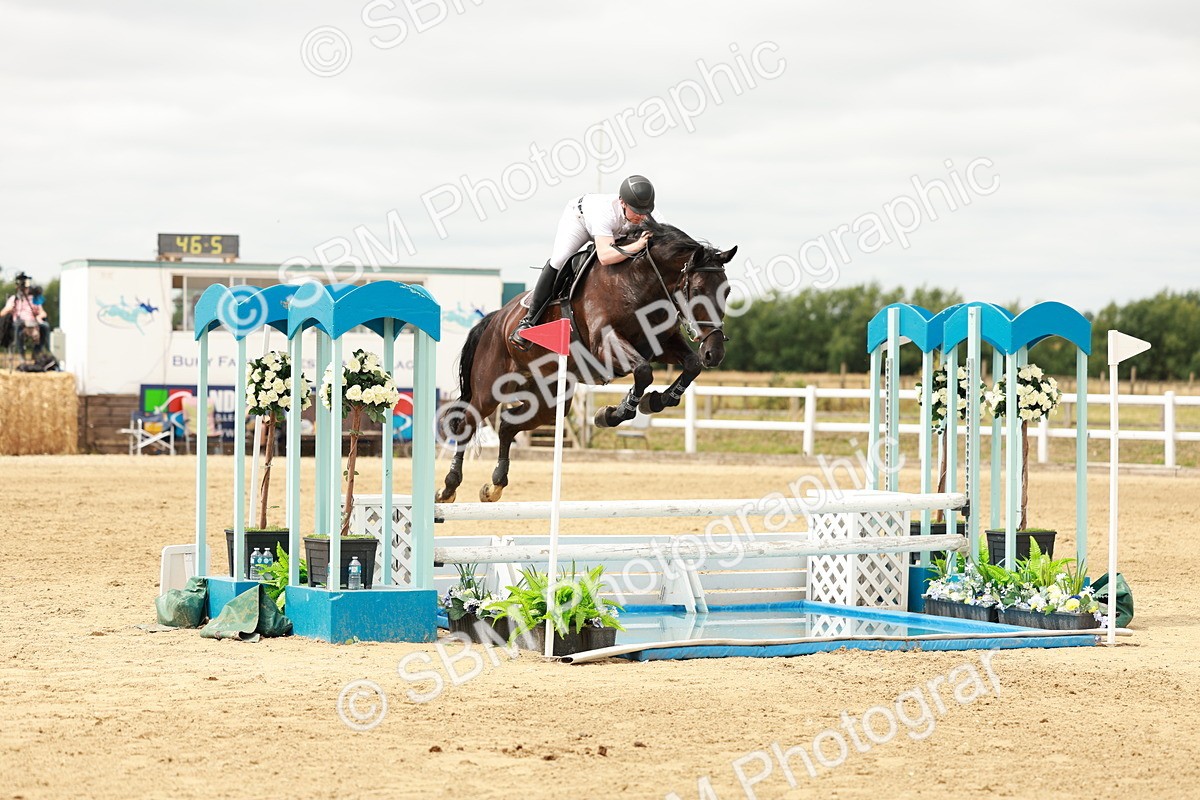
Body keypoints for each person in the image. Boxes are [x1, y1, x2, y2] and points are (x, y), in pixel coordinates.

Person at [510, 174, 657, 350]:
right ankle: (528, 320)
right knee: (560, 259)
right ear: (622, 203)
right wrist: (638, 245)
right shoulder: (605, 211)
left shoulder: (649, 214)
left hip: (613, 231)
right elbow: (605, 256)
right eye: (636, 211)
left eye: (645, 211)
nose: (641, 216)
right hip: (580, 220)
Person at [0, 272, 47, 357]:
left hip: (33, 324)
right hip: (20, 325)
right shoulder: (13, 299)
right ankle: (21, 355)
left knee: (45, 326)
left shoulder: (34, 299)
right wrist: (9, 309)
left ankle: (37, 351)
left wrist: (39, 316)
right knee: (18, 325)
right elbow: (2, 313)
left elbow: (43, 312)